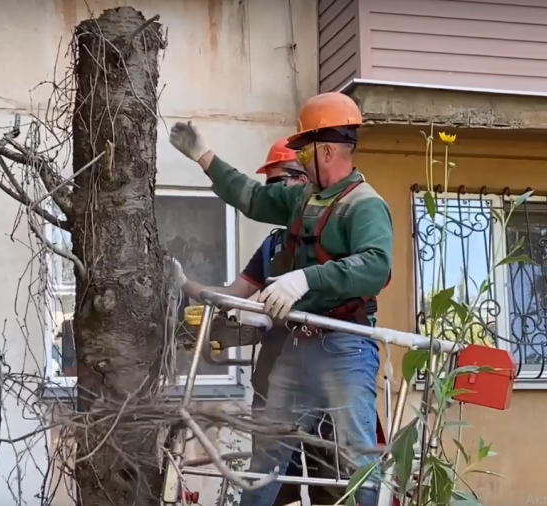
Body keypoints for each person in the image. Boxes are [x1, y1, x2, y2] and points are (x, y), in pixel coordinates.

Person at [168, 91, 394, 506]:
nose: (299, 160)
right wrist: (205, 157)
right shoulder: (301, 199)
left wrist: (305, 279)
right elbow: (253, 198)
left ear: (326, 151)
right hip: (297, 347)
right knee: (267, 453)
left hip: (346, 345)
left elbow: (376, 266)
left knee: (356, 456)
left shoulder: (365, 206)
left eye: (304, 151)